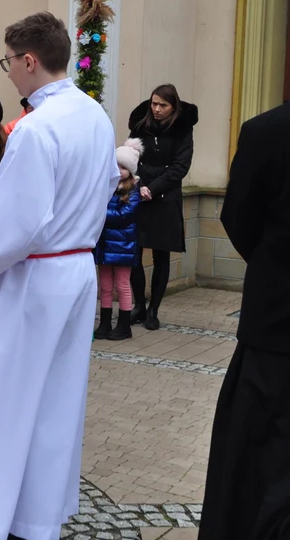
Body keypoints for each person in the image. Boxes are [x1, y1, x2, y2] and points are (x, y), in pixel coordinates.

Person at [0, 12, 118, 539]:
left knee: (7, 405)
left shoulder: (36, 129)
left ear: (30, 60)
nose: (9, 72)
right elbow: (101, 188)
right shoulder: (94, 117)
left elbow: (20, 224)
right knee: (54, 405)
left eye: (9, 62)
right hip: (77, 269)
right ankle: (37, 520)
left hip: (34, 279)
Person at [199, 101, 290, 539]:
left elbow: (240, 219)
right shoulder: (268, 132)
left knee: (254, 462)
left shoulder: (266, 131)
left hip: (275, 321)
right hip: (273, 329)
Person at [128, 85, 197, 330]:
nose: (156, 109)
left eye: (163, 105)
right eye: (154, 103)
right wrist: (140, 184)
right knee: (134, 250)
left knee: (161, 254)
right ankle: (138, 305)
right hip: (140, 191)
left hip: (166, 197)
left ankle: (153, 310)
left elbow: (180, 166)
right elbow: (130, 157)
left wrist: (154, 188)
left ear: (173, 107)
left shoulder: (182, 130)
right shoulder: (140, 124)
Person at [93, 139, 143, 342]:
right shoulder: (106, 187)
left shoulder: (133, 190)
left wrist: (100, 213)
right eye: (117, 166)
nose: (119, 170)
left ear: (130, 170)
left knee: (122, 285)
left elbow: (125, 215)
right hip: (105, 243)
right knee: (104, 285)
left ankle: (124, 324)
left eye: (123, 167)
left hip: (123, 244)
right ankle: (105, 322)